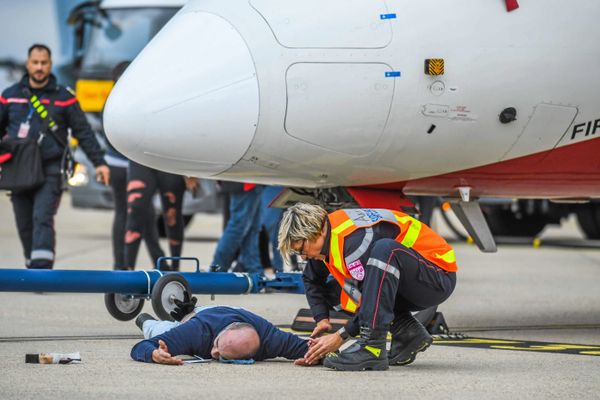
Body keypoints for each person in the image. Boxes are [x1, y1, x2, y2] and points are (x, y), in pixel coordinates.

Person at [278, 203, 458, 371]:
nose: (302, 257)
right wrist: (322, 319)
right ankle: (408, 333)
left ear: (315, 232)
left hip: (436, 276)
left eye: (301, 250)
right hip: (409, 278)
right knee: (339, 290)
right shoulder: (326, 239)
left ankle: (372, 348)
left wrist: (339, 337)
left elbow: (370, 301)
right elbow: (311, 279)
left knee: (384, 250)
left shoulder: (355, 242)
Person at [0, 44, 109, 269]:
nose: (39, 67)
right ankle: (32, 265)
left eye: (44, 63)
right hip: (17, 168)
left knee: (42, 216)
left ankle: (42, 270)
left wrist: (99, 163)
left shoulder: (64, 98)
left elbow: (84, 132)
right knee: (24, 222)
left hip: (50, 168)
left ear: (50, 65)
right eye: (35, 63)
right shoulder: (9, 96)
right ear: (28, 64)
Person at [104, 61, 163, 270]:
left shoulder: (111, 102)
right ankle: (124, 266)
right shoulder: (138, 102)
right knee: (136, 212)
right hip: (132, 164)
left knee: (138, 213)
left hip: (117, 163)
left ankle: (124, 264)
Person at [131, 302, 308, 365]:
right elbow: (141, 347)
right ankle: (144, 319)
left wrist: (323, 353)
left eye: (221, 354)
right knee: (157, 330)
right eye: (217, 346)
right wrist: (154, 354)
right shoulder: (196, 332)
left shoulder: (271, 339)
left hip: (236, 312)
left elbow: (309, 347)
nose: (214, 353)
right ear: (220, 335)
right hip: (201, 315)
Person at [211, 182, 263, 273]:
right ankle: (217, 270)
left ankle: (254, 272)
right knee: (238, 226)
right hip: (247, 180)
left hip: (253, 181)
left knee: (252, 229)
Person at [260, 185, 285, 273]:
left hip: (279, 183)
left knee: (278, 231)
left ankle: (278, 268)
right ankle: (277, 268)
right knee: (268, 227)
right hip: (275, 183)